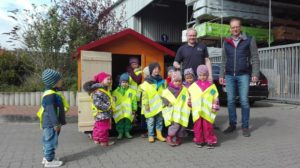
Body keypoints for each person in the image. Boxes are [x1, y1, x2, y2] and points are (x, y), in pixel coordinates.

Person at [219, 18, 260, 137]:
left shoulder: (249, 39)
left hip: (244, 75)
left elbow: (255, 58)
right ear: (230, 28)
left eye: (237, 27)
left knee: (244, 101)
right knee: (231, 101)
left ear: (240, 27)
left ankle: (245, 126)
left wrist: (255, 74)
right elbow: (223, 60)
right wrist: (222, 74)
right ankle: (232, 124)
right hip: (229, 75)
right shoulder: (226, 41)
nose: (235, 29)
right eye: (232, 27)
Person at [39, 69, 69, 167]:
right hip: (51, 123)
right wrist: (56, 124)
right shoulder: (50, 95)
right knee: (51, 141)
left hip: (49, 122)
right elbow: (51, 110)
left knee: (47, 140)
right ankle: (49, 161)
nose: (61, 81)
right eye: (59, 79)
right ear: (53, 82)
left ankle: (47, 157)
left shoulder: (51, 92)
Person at [189, 65, 220, 149]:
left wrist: (214, 106)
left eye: (204, 75)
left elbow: (215, 97)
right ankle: (199, 140)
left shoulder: (211, 86)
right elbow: (190, 97)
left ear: (207, 75)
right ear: (197, 75)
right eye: (200, 75)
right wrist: (189, 104)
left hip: (207, 110)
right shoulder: (193, 86)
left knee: (208, 126)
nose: (202, 77)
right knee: (197, 126)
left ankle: (209, 140)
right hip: (197, 111)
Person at [83, 72, 115, 146]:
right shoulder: (98, 90)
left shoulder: (101, 89)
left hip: (101, 113)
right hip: (103, 113)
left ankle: (97, 139)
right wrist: (108, 106)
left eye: (110, 79)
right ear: (101, 80)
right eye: (108, 79)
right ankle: (104, 142)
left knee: (98, 127)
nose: (110, 81)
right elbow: (98, 103)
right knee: (103, 128)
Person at [161, 71, 190, 146]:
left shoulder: (184, 89)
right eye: (176, 81)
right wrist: (167, 103)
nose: (177, 83)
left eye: (179, 81)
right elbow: (164, 97)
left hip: (182, 111)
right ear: (172, 81)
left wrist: (189, 103)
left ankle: (178, 138)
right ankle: (169, 137)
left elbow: (187, 97)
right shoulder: (168, 90)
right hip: (173, 112)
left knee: (182, 125)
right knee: (175, 125)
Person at [141, 62, 166, 143]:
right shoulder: (147, 82)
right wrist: (146, 104)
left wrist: (166, 101)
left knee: (159, 120)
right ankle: (151, 135)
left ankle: (159, 135)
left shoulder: (162, 81)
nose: (156, 70)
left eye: (158, 69)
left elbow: (165, 92)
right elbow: (144, 95)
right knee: (150, 121)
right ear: (151, 70)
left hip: (159, 105)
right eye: (154, 69)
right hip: (150, 106)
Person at [112, 73, 137, 139]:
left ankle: (127, 132)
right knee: (119, 122)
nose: (124, 83)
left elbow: (134, 101)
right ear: (120, 82)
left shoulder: (131, 91)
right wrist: (112, 109)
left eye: (126, 82)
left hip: (128, 111)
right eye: (123, 82)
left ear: (128, 83)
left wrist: (134, 109)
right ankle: (120, 133)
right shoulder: (115, 92)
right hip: (119, 111)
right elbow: (113, 101)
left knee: (128, 122)